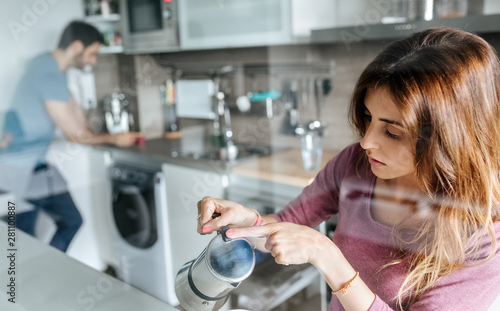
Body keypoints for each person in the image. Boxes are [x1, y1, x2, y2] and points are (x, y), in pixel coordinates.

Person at [196, 27, 500, 310]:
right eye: (368, 117)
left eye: (392, 132)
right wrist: (248, 223)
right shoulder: (355, 164)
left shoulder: (484, 235)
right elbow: (287, 224)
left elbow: (320, 251)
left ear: (450, 139)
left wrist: (326, 254)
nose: (366, 142)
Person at [0, 21, 141, 252]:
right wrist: (115, 139)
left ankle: (45, 271)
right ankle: (30, 283)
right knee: (20, 244)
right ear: (76, 47)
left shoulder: (50, 65)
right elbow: (76, 135)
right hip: (14, 172)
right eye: (92, 53)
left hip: (32, 167)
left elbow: (80, 126)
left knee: (70, 221)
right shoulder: (49, 74)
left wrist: (74, 97)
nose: (93, 61)